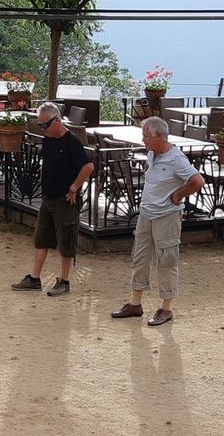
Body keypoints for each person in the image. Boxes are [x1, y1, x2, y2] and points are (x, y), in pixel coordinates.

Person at [111, 116, 204, 327]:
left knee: (166, 260)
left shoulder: (176, 159)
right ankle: (135, 304)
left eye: (146, 136)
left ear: (159, 136)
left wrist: (178, 195)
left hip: (166, 216)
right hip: (147, 213)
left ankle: (166, 308)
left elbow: (197, 181)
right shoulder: (153, 153)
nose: (143, 140)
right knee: (140, 257)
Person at [11, 102, 93, 297]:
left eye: (45, 125)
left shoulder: (71, 141)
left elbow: (88, 166)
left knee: (66, 242)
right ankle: (34, 278)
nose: (43, 129)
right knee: (41, 239)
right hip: (47, 198)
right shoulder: (48, 140)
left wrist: (74, 188)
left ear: (56, 121)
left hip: (65, 200)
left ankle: (64, 281)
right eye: (40, 125)